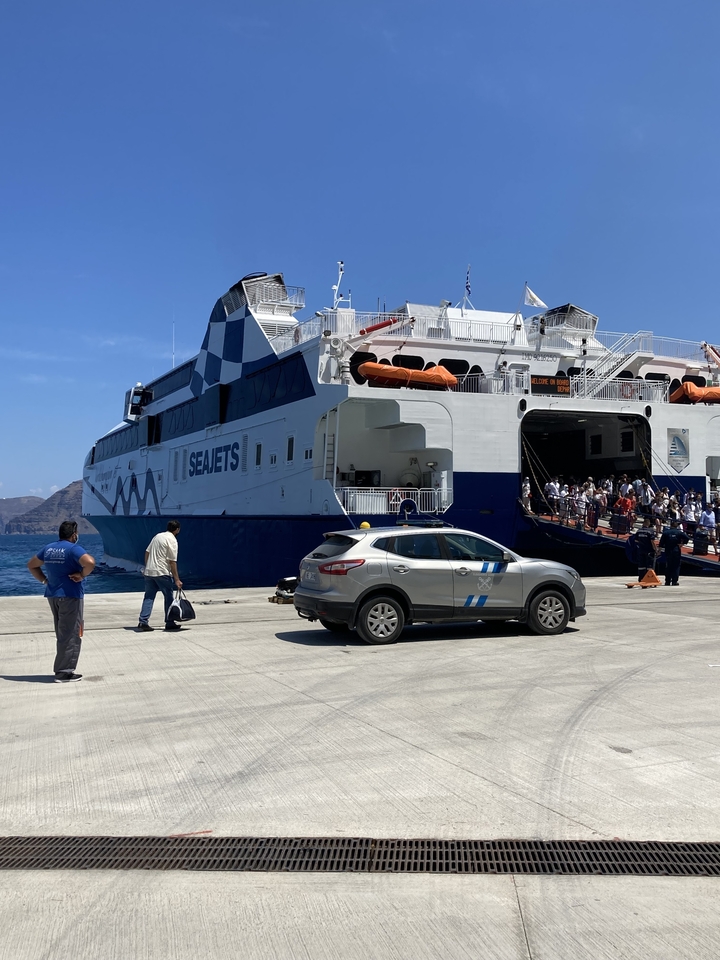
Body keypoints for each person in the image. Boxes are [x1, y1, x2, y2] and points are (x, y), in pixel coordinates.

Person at [27, 520, 96, 682]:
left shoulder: (49, 548)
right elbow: (90, 562)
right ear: (74, 535)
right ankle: (64, 671)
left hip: (53, 594)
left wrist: (44, 580)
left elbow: (32, 565)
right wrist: (82, 575)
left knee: (62, 632)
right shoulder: (73, 549)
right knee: (71, 632)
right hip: (70, 595)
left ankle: (62, 668)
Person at [137, 520, 183, 632]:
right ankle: (169, 621)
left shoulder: (158, 536)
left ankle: (143, 621)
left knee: (149, 596)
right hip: (162, 572)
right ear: (177, 530)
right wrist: (177, 579)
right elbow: (172, 561)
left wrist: (147, 566)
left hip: (149, 572)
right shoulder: (172, 540)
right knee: (169, 597)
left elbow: (147, 552)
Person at [659, 518, 688, 586]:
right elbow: (687, 538)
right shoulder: (679, 532)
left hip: (668, 551)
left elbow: (661, 543)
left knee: (668, 565)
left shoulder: (666, 533)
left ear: (670, 526)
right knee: (676, 566)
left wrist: (659, 551)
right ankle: (674, 581)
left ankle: (667, 581)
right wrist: (682, 543)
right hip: (676, 550)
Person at [634, 517, 658, 582]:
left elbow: (636, 540)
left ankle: (641, 579)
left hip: (641, 550)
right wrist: (656, 549)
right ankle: (648, 579)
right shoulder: (650, 531)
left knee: (641, 565)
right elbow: (652, 541)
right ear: (648, 523)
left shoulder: (639, 531)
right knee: (649, 565)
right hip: (649, 550)